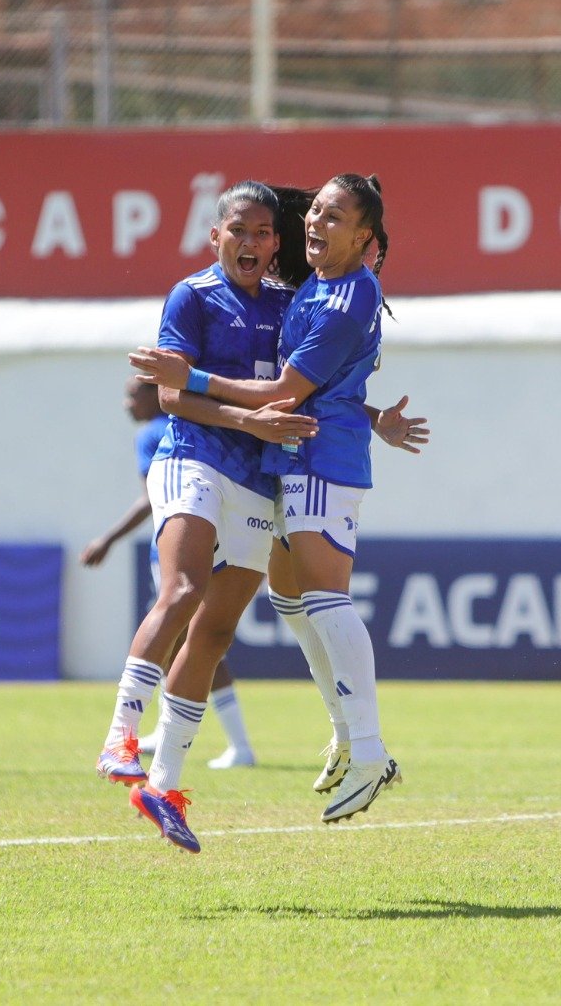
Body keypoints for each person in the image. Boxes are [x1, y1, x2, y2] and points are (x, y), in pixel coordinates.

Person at [131, 173, 404, 825]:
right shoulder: (315, 289)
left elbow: (287, 389)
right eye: (314, 213)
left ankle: (368, 749)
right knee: (289, 598)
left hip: (319, 454)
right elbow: (320, 386)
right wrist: (375, 417)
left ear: (364, 236)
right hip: (291, 456)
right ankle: (344, 734)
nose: (315, 223)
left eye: (334, 216)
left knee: (322, 596)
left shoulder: (344, 299)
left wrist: (188, 377)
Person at [94, 180, 320, 852]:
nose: (250, 243)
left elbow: (318, 383)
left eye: (261, 233)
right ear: (214, 237)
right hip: (192, 457)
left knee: (216, 632)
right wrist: (247, 417)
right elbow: (171, 395)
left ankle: (161, 787)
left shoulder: (289, 305)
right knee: (183, 590)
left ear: (276, 243)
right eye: (238, 231)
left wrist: (376, 421)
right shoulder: (192, 296)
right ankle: (120, 739)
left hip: (255, 479)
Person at [81, 377, 259, 771]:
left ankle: (236, 744)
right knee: (194, 644)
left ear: (155, 394)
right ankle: (193, 735)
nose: (127, 404)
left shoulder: (155, 433)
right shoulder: (202, 427)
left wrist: (108, 538)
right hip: (222, 541)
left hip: (176, 548)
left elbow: (150, 499)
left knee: (181, 637)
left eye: (132, 394)